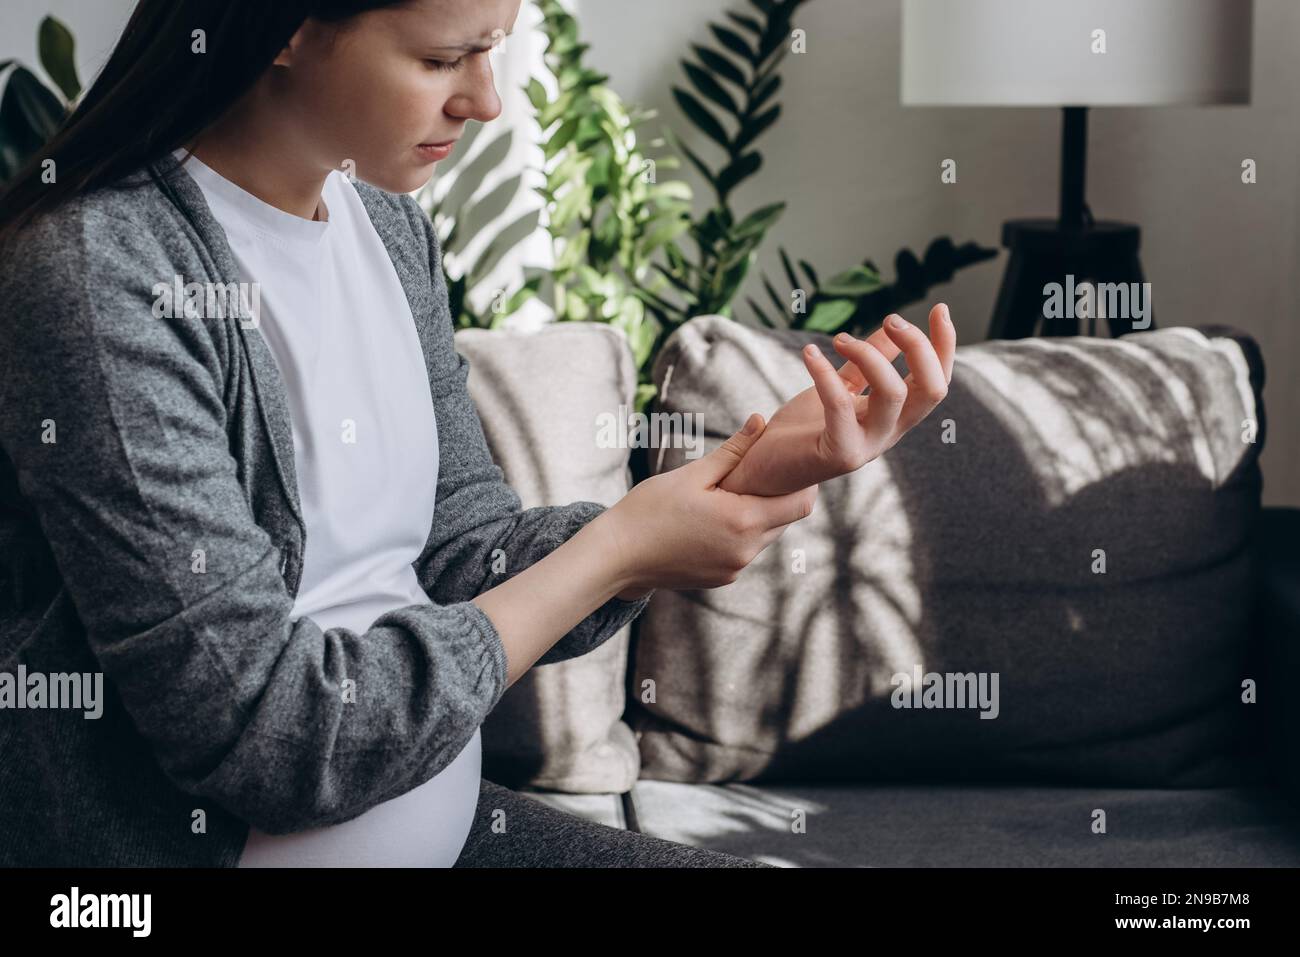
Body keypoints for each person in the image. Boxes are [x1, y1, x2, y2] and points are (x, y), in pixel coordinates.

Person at [0, 0, 955, 868]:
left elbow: (465, 549)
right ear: (285, 27)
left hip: (447, 832)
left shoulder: (388, 229)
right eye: (443, 58)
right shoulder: (98, 272)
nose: (486, 102)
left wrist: (735, 474)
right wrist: (620, 549)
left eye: (492, 51)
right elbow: (265, 738)